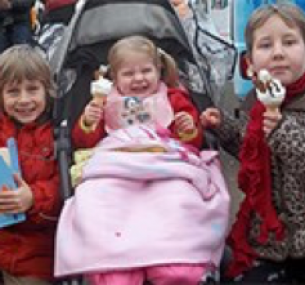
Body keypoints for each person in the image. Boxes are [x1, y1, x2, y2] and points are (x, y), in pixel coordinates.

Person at [55, 35, 230, 285]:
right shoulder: (104, 102)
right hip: (116, 165)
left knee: (179, 198)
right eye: (128, 74)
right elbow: (84, 142)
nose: (139, 79)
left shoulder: (173, 98)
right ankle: (111, 262)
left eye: (146, 71)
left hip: (165, 163)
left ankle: (176, 259)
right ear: (113, 77)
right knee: (97, 199)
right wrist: (89, 121)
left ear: (158, 71)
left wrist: (187, 128)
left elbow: (192, 142)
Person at [201, 3, 305, 283]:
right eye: (266, 45)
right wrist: (223, 126)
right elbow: (251, 149)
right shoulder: (256, 104)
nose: (279, 53)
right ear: (250, 63)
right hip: (269, 240)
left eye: (290, 42)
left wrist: (283, 131)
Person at [0, 45, 61, 284]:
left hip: (35, 250)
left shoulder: (55, 135)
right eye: (13, 92)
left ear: (47, 91)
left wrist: (33, 198)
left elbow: (63, 186)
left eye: (32, 89)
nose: (24, 100)